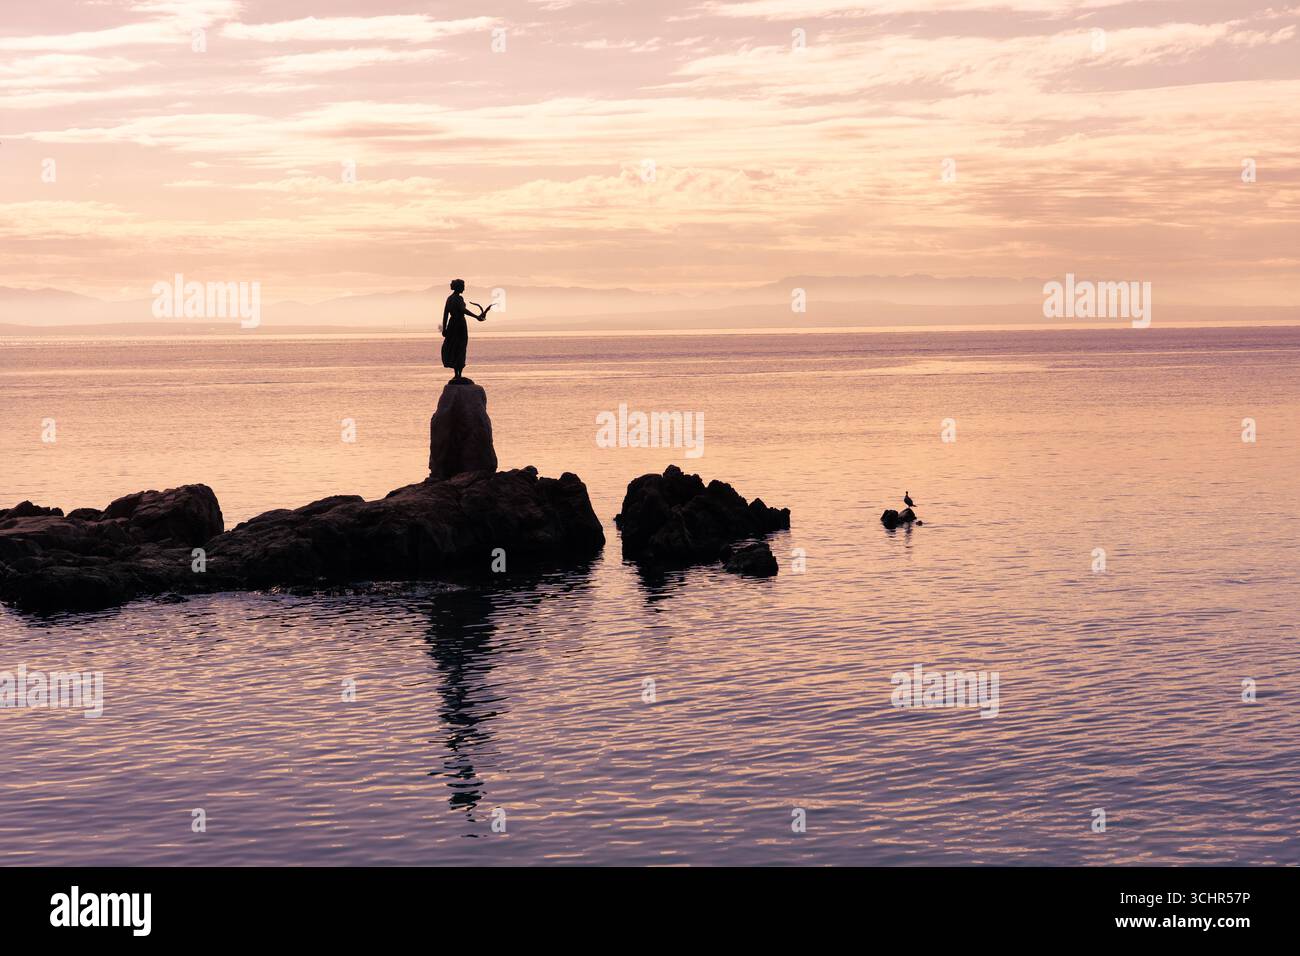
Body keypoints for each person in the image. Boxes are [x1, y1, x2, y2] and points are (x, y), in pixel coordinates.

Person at [440, 279, 491, 381]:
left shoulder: (449, 298)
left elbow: (445, 314)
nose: (464, 288)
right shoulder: (458, 299)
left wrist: (444, 328)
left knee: (454, 348)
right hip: (459, 325)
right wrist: (476, 316)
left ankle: (457, 374)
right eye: (463, 286)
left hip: (452, 325)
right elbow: (463, 310)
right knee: (460, 348)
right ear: (458, 287)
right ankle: (458, 374)